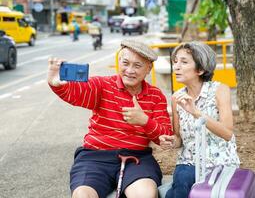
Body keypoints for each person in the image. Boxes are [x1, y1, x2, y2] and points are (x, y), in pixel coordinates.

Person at [47, 39, 172, 198]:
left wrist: (144, 121)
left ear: (149, 68)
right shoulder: (102, 85)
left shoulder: (156, 96)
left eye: (137, 65)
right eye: (125, 63)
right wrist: (56, 84)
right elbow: (75, 92)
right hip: (95, 156)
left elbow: (164, 137)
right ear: (119, 62)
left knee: (145, 194)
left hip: (137, 158)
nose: (130, 70)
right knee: (82, 195)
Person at [159, 42, 240, 198]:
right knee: (183, 181)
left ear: (201, 69)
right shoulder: (176, 97)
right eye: (175, 61)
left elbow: (227, 133)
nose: (176, 67)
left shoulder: (219, 90)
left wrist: (196, 112)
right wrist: (171, 141)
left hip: (220, 162)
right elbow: (179, 139)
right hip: (188, 161)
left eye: (184, 62)